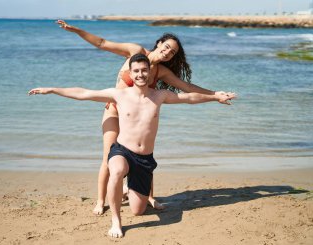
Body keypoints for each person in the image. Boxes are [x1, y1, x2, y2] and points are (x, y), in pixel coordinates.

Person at [29, 53, 236, 238]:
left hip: (144, 159)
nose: (140, 75)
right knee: (116, 170)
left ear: (149, 72)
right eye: (136, 71)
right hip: (122, 150)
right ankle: (116, 221)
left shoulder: (159, 96)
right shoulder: (119, 94)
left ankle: (133, 192)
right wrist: (53, 90)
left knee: (138, 210)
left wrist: (215, 97)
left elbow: (189, 97)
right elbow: (84, 93)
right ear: (130, 73)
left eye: (144, 70)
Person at [56, 20, 235, 215]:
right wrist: (76, 30)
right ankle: (100, 201)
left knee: (144, 154)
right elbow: (101, 43)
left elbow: (188, 89)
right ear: (159, 43)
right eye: (166, 47)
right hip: (113, 110)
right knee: (108, 158)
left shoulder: (161, 71)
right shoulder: (135, 51)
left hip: (136, 116)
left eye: (172, 52)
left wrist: (215, 94)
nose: (167, 52)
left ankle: (148, 196)